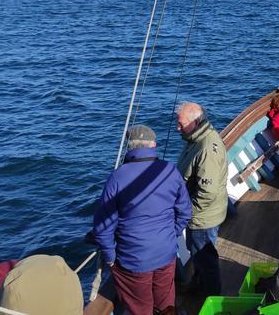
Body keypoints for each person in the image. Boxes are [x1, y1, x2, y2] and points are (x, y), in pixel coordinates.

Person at [91, 124, 191, 315]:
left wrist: (110, 257)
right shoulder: (170, 170)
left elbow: (103, 227)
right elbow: (185, 211)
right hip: (166, 253)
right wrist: (171, 235)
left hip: (133, 260)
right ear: (153, 145)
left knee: (140, 308)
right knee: (166, 304)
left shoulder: (117, 178)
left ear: (129, 146)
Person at [175, 101, 228, 296]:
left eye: (181, 124)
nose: (177, 127)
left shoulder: (206, 148)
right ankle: (199, 285)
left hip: (203, 217)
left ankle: (211, 297)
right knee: (198, 254)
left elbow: (208, 191)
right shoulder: (195, 139)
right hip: (200, 214)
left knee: (206, 258)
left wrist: (188, 212)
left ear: (196, 122)